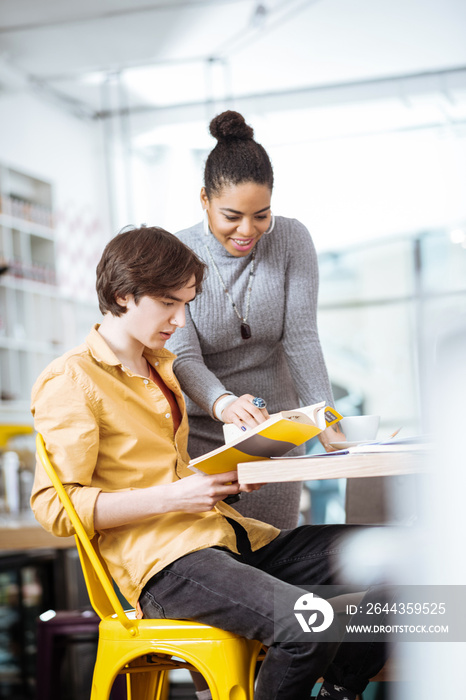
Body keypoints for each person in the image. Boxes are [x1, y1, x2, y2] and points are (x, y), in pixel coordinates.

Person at [30, 225, 386, 700]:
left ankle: (339, 690)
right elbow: (55, 507)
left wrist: (221, 480)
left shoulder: (159, 366)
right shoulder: (72, 379)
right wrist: (177, 495)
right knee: (310, 624)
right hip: (164, 565)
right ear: (122, 295)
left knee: (402, 554)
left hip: (227, 537)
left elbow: (163, 472)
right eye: (168, 303)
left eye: (186, 303)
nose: (180, 320)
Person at [167, 110, 344, 530]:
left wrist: (328, 420)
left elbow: (302, 339)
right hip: (205, 437)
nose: (248, 230)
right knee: (221, 565)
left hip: (276, 435)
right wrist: (224, 403)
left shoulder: (291, 239)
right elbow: (183, 356)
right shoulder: (175, 252)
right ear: (204, 200)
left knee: (277, 552)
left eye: (261, 214)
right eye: (231, 216)